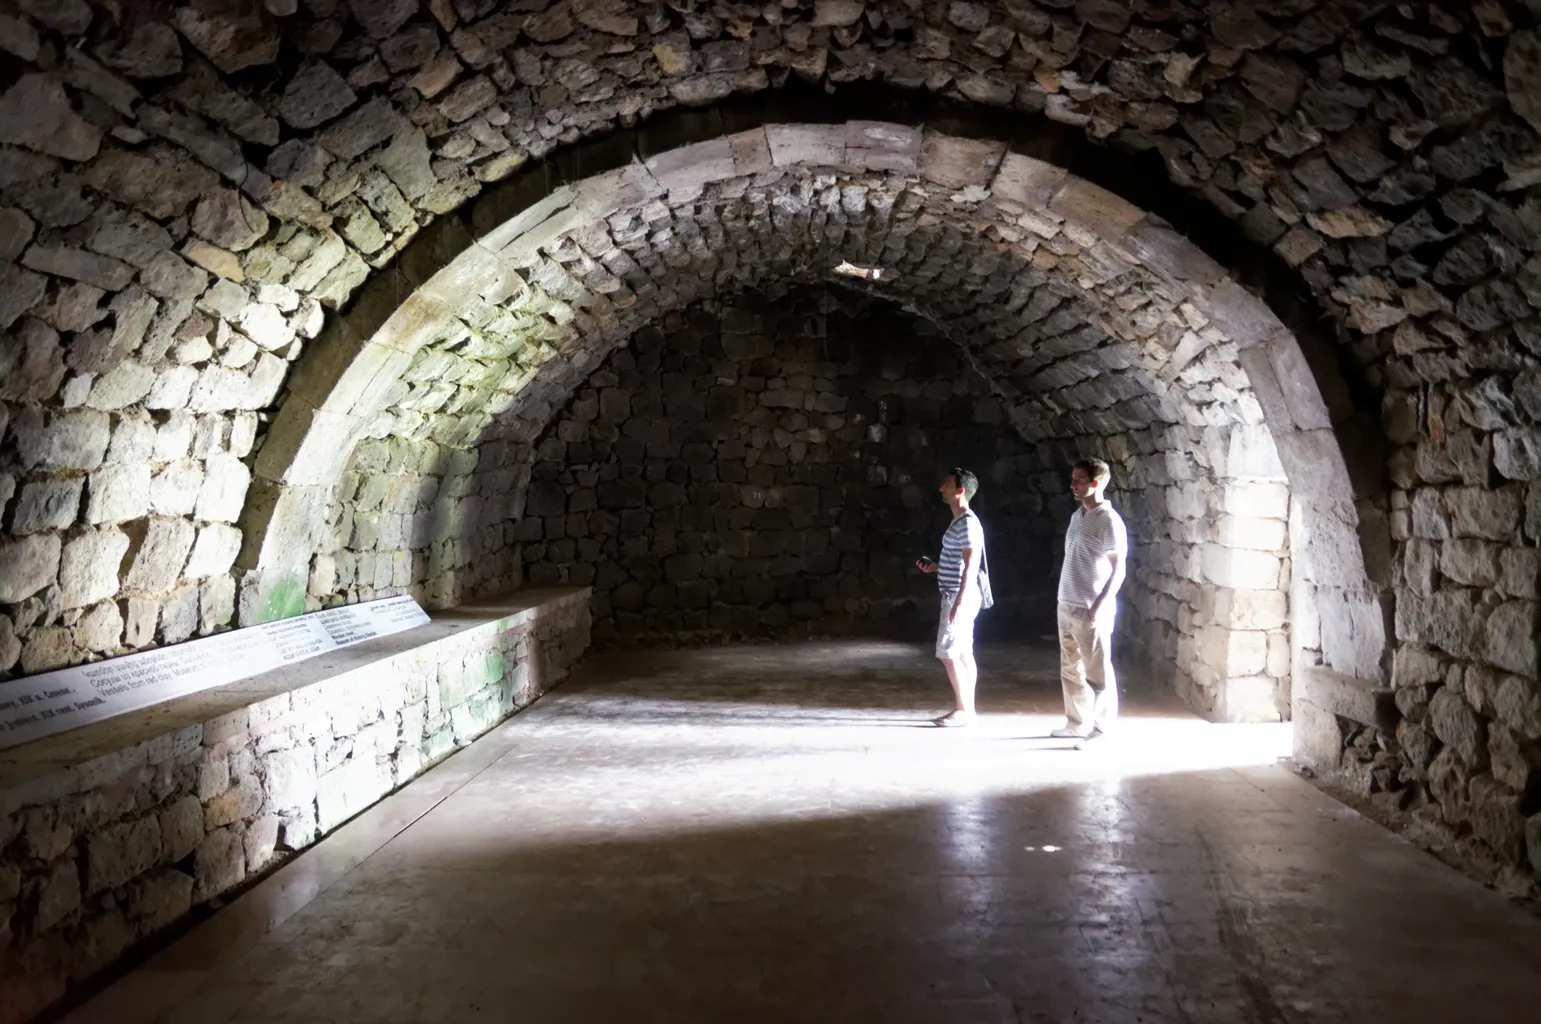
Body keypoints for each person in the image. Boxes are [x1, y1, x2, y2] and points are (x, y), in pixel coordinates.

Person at [1051, 458, 1127, 742]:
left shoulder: (1109, 522)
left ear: (1096, 484)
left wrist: (1098, 606)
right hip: (1067, 602)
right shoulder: (1077, 516)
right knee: (1070, 667)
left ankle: (1103, 729)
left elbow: (1119, 570)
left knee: (1098, 673)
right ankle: (1076, 722)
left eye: (1079, 480)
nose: (1072, 485)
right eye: (1073, 479)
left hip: (1090, 607)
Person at [916, 467, 989, 727]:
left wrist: (958, 602)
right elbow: (959, 561)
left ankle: (963, 709)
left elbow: (971, 564)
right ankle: (967, 708)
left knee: (948, 652)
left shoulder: (967, 522)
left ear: (960, 491)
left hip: (959, 594)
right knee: (963, 652)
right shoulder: (960, 520)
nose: (941, 488)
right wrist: (936, 567)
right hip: (959, 592)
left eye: (947, 484)